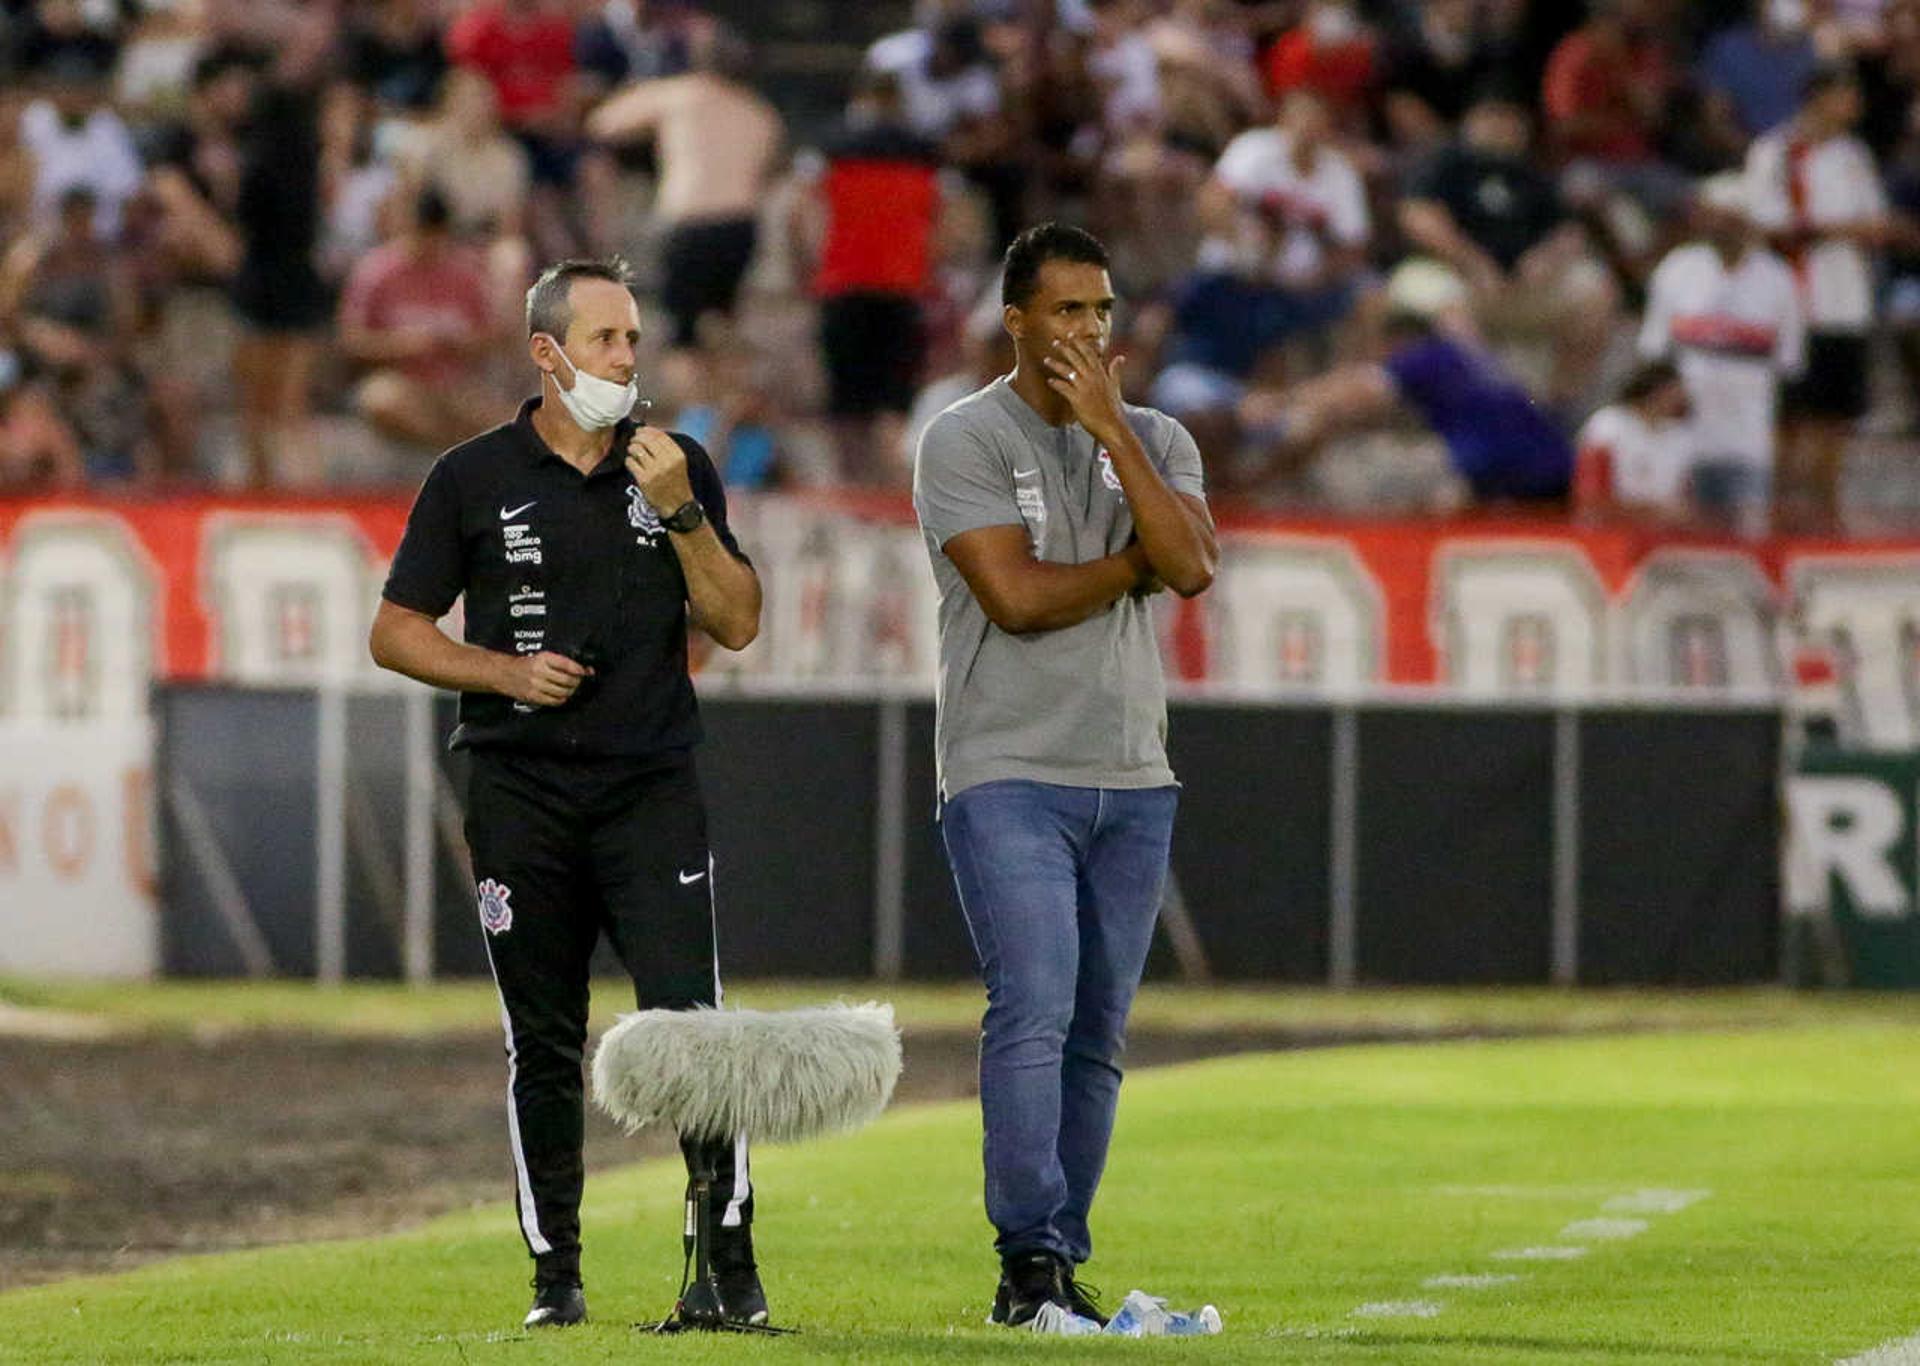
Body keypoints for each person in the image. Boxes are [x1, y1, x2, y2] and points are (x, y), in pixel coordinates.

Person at [367, 257, 765, 1330]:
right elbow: (394, 630)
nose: (628, 360)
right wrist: (503, 672)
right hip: (519, 792)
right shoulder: (470, 475)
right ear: (546, 353)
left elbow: (737, 620)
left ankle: (728, 1265)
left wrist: (681, 512)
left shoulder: (674, 465)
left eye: (634, 339)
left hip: (650, 787)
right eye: (606, 341)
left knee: (691, 1026)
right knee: (542, 1038)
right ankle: (557, 1277)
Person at [911, 223, 1217, 1331]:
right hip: (1008, 769)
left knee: (1099, 1031)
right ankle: (1026, 1257)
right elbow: (1018, 599)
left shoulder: (1158, 439)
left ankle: (1061, 1263)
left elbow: (1187, 568)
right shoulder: (962, 440)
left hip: (1134, 771)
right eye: (1068, 311)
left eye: (1101, 311)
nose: (1089, 332)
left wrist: (1110, 432)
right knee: (1033, 1003)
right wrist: (1133, 559)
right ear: (1017, 320)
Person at [1238, 258, 1574, 506]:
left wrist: (1281, 401)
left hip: (1504, 473)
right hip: (1547, 469)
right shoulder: (1470, 356)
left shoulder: (1428, 355)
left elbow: (1355, 392)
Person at [1746, 63, 1889, 528]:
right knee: (1788, 416)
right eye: (1847, 93)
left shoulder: (1853, 155)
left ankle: (1827, 512)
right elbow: (1768, 224)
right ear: (1820, 96)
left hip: (1845, 300)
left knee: (1835, 413)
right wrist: (1835, 229)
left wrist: (1830, 230)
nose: (1856, 104)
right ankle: (1779, 513)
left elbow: (1875, 224)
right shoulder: (1776, 152)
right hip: (1794, 300)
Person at [1639, 173, 1804, 531]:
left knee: (1747, 537)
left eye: (1730, 218)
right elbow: (1653, 354)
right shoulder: (1677, 270)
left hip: (1748, 441)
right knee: (1679, 537)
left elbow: (1789, 364)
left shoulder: (1778, 279)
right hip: (1681, 442)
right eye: (1712, 216)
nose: (1720, 227)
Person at [338, 186, 506, 452]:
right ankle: (450, 452)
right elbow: (351, 341)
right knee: (382, 401)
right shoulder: (376, 272)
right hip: (399, 381)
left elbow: (493, 337)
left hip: (453, 384)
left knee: (505, 421)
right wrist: (401, 344)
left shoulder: (465, 272)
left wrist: (460, 343)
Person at [1573, 359, 1695, 523]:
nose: (1680, 399)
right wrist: (1645, 512)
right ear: (1656, 392)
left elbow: (1684, 499)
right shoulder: (1609, 425)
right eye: (1673, 392)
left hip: (1661, 531)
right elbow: (1590, 494)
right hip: (1611, 526)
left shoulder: (1679, 437)